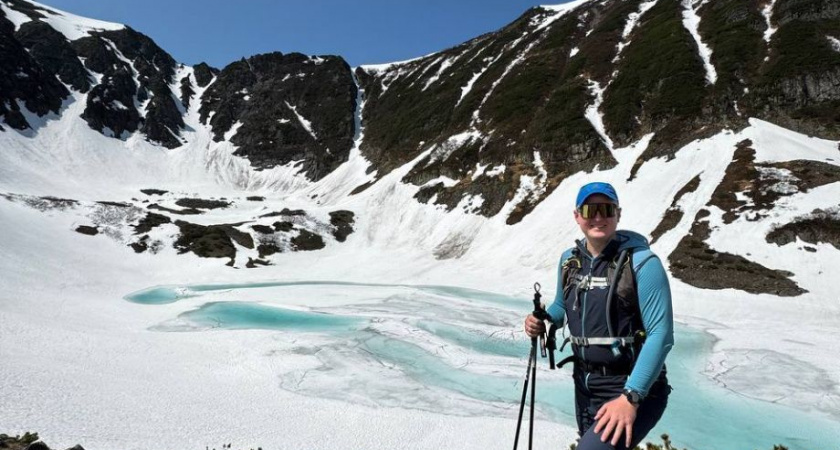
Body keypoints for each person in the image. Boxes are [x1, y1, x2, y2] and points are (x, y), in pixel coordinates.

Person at [524, 181, 674, 450]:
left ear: (618, 213)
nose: (597, 217)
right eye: (589, 209)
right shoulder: (569, 261)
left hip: (630, 386)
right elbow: (562, 307)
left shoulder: (643, 264)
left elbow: (661, 335)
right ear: (577, 215)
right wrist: (544, 319)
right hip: (585, 386)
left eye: (606, 209)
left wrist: (631, 396)